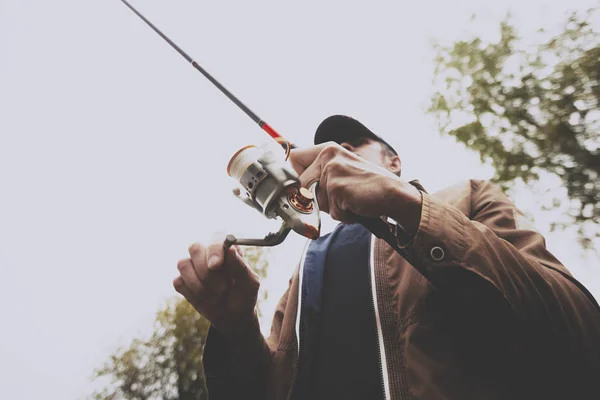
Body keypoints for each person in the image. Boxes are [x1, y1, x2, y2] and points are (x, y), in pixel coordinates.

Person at [173, 115, 600, 400]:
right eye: (325, 150)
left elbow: (582, 332)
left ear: (392, 162)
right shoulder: (308, 265)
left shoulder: (466, 199)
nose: (331, 157)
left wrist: (407, 206)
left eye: (351, 146)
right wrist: (237, 330)